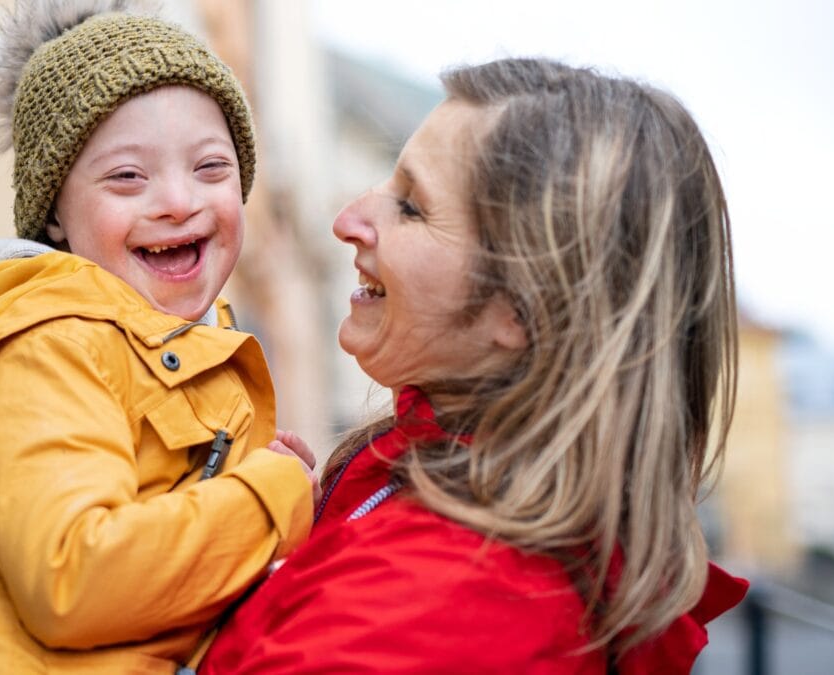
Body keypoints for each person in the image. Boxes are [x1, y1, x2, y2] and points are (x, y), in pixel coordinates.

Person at [201, 58, 749, 674]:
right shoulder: (440, 493)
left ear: (523, 303)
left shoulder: (442, 612)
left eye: (411, 207)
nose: (348, 220)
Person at [0, 3, 317, 673]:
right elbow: (71, 578)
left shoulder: (188, 342)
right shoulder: (47, 347)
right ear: (54, 215)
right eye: (127, 177)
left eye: (211, 168)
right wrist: (268, 498)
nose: (176, 200)